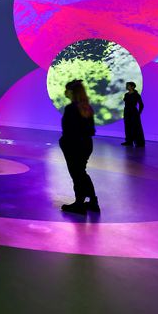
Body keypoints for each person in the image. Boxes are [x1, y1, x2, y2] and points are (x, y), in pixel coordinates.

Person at [59, 80, 98, 214]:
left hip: (73, 146)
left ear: (72, 92)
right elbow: (91, 130)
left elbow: (69, 131)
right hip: (86, 145)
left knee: (77, 175)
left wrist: (64, 142)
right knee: (82, 173)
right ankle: (93, 202)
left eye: (67, 89)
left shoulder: (71, 109)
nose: (65, 92)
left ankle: (79, 204)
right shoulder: (86, 107)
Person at [122, 81, 145, 147]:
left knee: (135, 127)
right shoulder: (126, 94)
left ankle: (138, 142)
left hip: (133, 112)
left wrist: (139, 113)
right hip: (126, 112)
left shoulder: (136, 95)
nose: (127, 86)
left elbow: (141, 105)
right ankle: (129, 141)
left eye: (128, 85)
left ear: (132, 87)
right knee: (127, 127)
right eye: (127, 85)